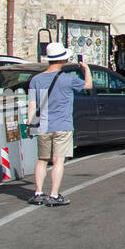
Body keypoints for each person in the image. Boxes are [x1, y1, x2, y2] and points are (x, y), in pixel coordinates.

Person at [26, 42, 92, 207]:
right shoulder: (68, 79)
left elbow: (32, 105)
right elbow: (88, 85)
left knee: (42, 160)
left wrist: (30, 125)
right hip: (62, 125)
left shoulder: (36, 79)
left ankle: (38, 193)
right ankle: (54, 195)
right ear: (63, 60)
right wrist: (86, 69)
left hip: (42, 125)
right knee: (58, 161)